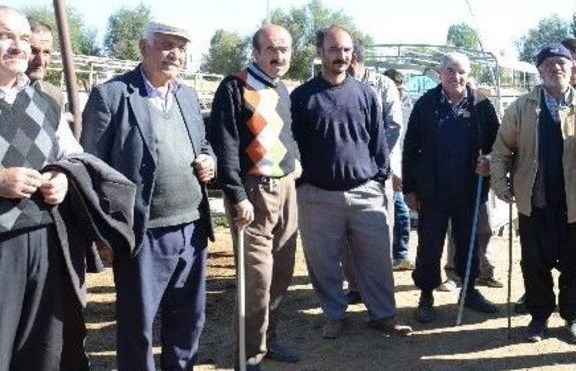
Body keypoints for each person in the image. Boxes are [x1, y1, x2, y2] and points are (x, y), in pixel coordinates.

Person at [81, 19, 217, 371]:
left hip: (192, 228)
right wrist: (104, 233)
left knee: (189, 320)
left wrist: (209, 160)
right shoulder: (111, 96)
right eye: (167, 45)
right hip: (142, 233)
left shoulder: (187, 96)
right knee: (138, 326)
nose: (175, 54)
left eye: (181, 48)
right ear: (143, 47)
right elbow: (91, 168)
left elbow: (203, 144)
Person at [291, 25, 410, 339]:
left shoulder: (365, 94)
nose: (341, 56)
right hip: (317, 196)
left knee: (377, 260)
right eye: (333, 49)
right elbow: (292, 145)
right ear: (319, 52)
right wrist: (302, 185)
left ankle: (383, 315)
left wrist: (379, 178)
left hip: (365, 193)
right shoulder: (301, 97)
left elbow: (379, 142)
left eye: (346, 50)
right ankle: (334, 315)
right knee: (323, 263)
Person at [490, 43, 576, 343]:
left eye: (562, 63)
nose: (555, 68)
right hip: (535, 202)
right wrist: (500, 183)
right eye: (549, 64)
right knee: (534, 264)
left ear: (572, 68)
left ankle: (572, 317)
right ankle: (539, 317)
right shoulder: (521, 108)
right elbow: (502, 150)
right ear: (539, 70)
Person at [208, 24, 302, 369]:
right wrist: (236, 195)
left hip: (286, 188)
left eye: (285, 49)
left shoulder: (281, 88)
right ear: (256, 52)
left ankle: (268, 339)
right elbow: (225, 145)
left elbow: (287, 133)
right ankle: (248, 357)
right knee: (257, 280)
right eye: (272, 49)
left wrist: (295, 161)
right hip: (253, 193)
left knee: (282, 272)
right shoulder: (235, 87)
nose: (279, 56)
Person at [0, 5, 83, 370]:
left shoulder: (46, 102)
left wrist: (64, 177)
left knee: (42, 350)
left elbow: (74, 155)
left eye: (24, 38)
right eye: (5, 36)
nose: (18, 47)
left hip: (47, 240)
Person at [402, 52, 500, 323]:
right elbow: (410, 148)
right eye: (450, 71)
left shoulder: (482, 105)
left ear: (468, 74)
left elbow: (498, 144)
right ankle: (426, 294)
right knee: (429, 244)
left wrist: (490, 161)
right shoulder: (426, 104)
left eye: (461, 72)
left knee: (470, 242)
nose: (456, 77)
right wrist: (409, 188)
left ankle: (469, 291)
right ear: (440, 73)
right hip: (432, 190)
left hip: (470, 189)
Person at [341, 42, 403, 303]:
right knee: (347, 234)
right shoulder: (337, 84)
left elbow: (393, 126)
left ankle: (378, 290)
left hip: (376, 173)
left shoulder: (383, 85)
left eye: (345, 54)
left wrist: (372, 161)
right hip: (345, 174)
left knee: (379, 233)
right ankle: (355, 286)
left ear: (354, 57)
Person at [382, 68, 415, 271]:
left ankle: (399, 255)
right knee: (391, 216)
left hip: (399, 169)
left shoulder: (407, 108)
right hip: (385, 171)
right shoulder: (380, 109)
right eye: (396, 89)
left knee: (401, 214)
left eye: (401, 89)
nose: (400, 93)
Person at [26, 18, 65, 109]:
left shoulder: (54, 96)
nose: (41, 61)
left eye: (46, 52)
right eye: (33, 51)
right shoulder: (5, 94)